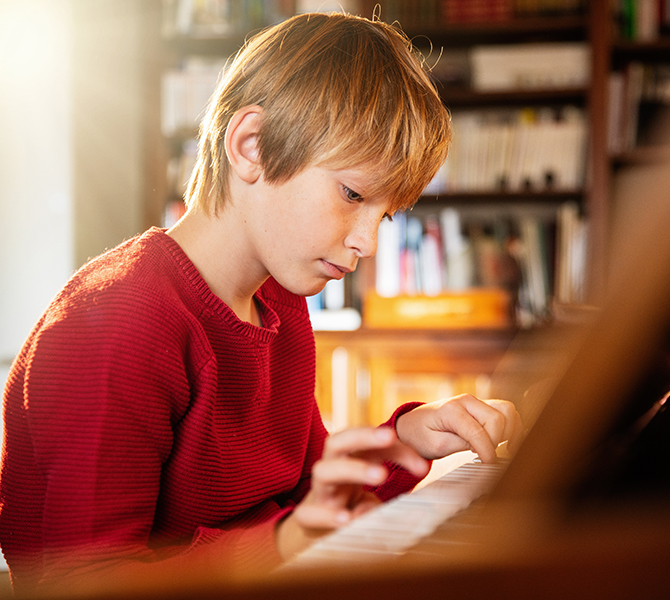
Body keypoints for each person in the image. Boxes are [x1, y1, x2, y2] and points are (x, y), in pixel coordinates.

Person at [0, 12, 524, 595]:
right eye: (353, 194)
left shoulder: (278, 303)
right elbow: (77, 584)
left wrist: (409, 441)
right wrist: (289, 542)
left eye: (386, 215)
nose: (367, 243)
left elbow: (301, 504)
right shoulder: (114, 322)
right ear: (252, 146)